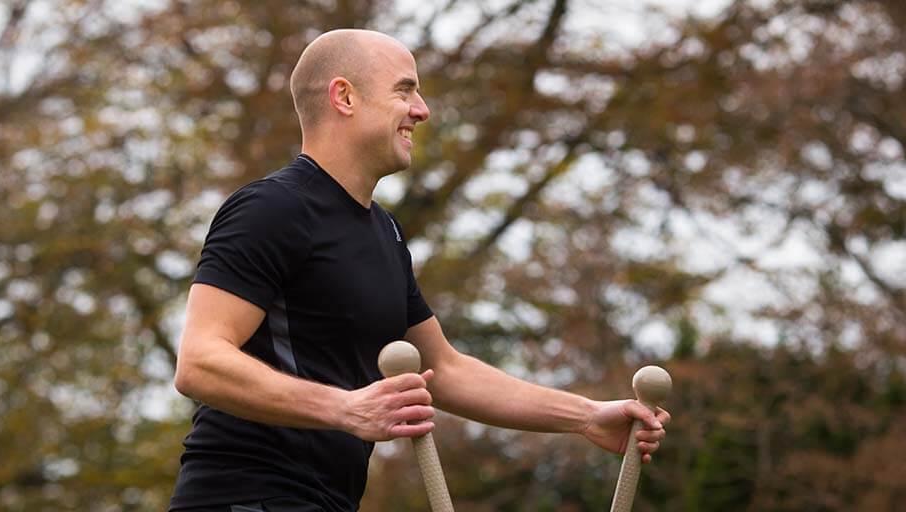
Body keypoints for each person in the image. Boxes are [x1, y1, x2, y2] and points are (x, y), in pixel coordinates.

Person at [169, 29, 670, 512]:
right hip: (242, 498)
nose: (422, 110)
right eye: (404, 90)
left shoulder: (384, 233)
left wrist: (586, 417)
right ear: (344, 97)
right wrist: (347, 409)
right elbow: (200, 362)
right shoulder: (272, 208)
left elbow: (445, 370)